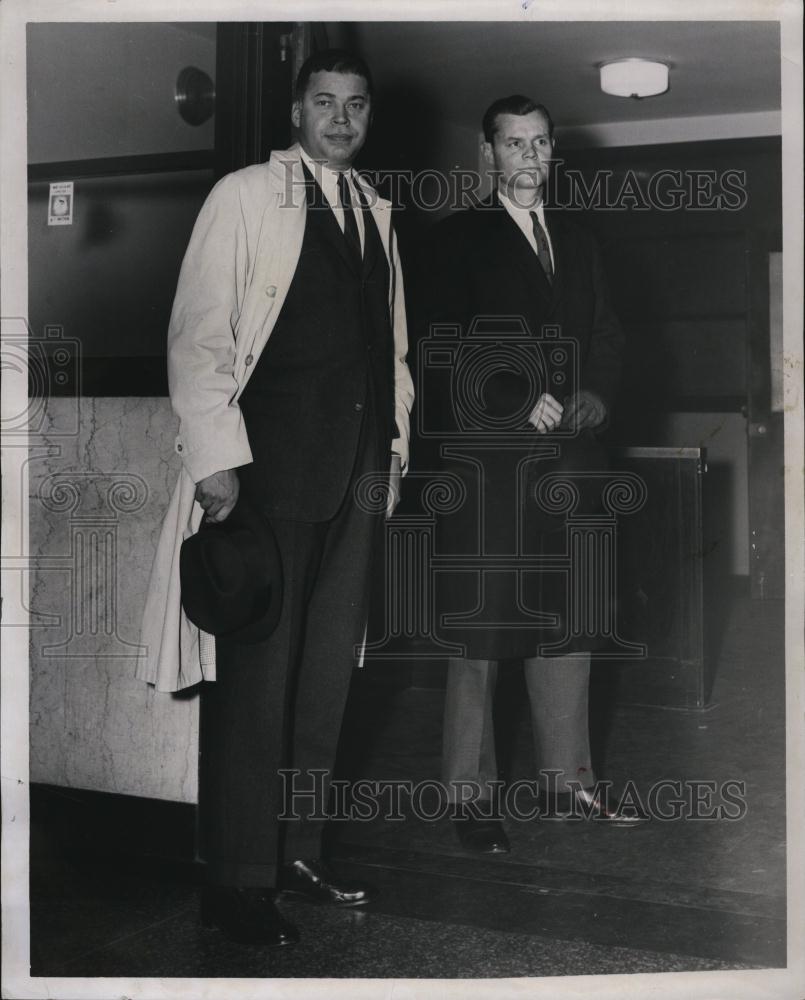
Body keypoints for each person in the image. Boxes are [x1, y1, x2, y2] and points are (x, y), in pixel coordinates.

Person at [138, 49, 414, 945]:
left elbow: (394, 355)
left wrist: (395, 453)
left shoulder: (377, 210)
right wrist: (216, 464)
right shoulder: (245, 196)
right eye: (325, 103)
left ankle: (299, 852)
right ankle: (236, 879)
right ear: (296, 113)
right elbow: (199, 334)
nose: (341, 118)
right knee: (258, 683)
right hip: (268, 477)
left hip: (357, 482)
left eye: (356, 105)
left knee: (326, 679)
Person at [412, 95, 643, 855]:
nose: (528, 158)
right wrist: (515, 400)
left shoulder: (579, 239)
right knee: (483, 634)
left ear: (554, 153)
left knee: (568, 626)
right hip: (490, 472)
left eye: (540, 144)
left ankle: (566, 780)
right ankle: (468, 798)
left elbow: (608, 336)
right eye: (513, 145)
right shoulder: (454, 242)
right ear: (487, 156)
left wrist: (594, 394)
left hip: (573, 465)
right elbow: (437, 352)